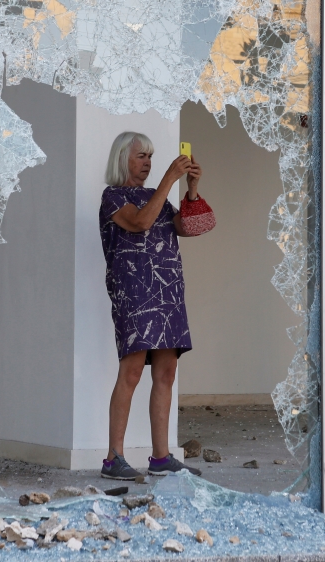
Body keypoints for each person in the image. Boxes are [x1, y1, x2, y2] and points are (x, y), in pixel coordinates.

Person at [98, 131, 215, 480]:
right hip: (135, 293)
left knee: (166, 372)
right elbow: (141, 222)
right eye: (141, 157)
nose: (148, 163)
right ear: (123, 160)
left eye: (150, 157)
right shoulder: (113, 198)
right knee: (132, 372)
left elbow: (194, 227)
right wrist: (169, 179)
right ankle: (112, 458)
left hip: (167, 292)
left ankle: (161, 457)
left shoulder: (158, 196)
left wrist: (191, 190)